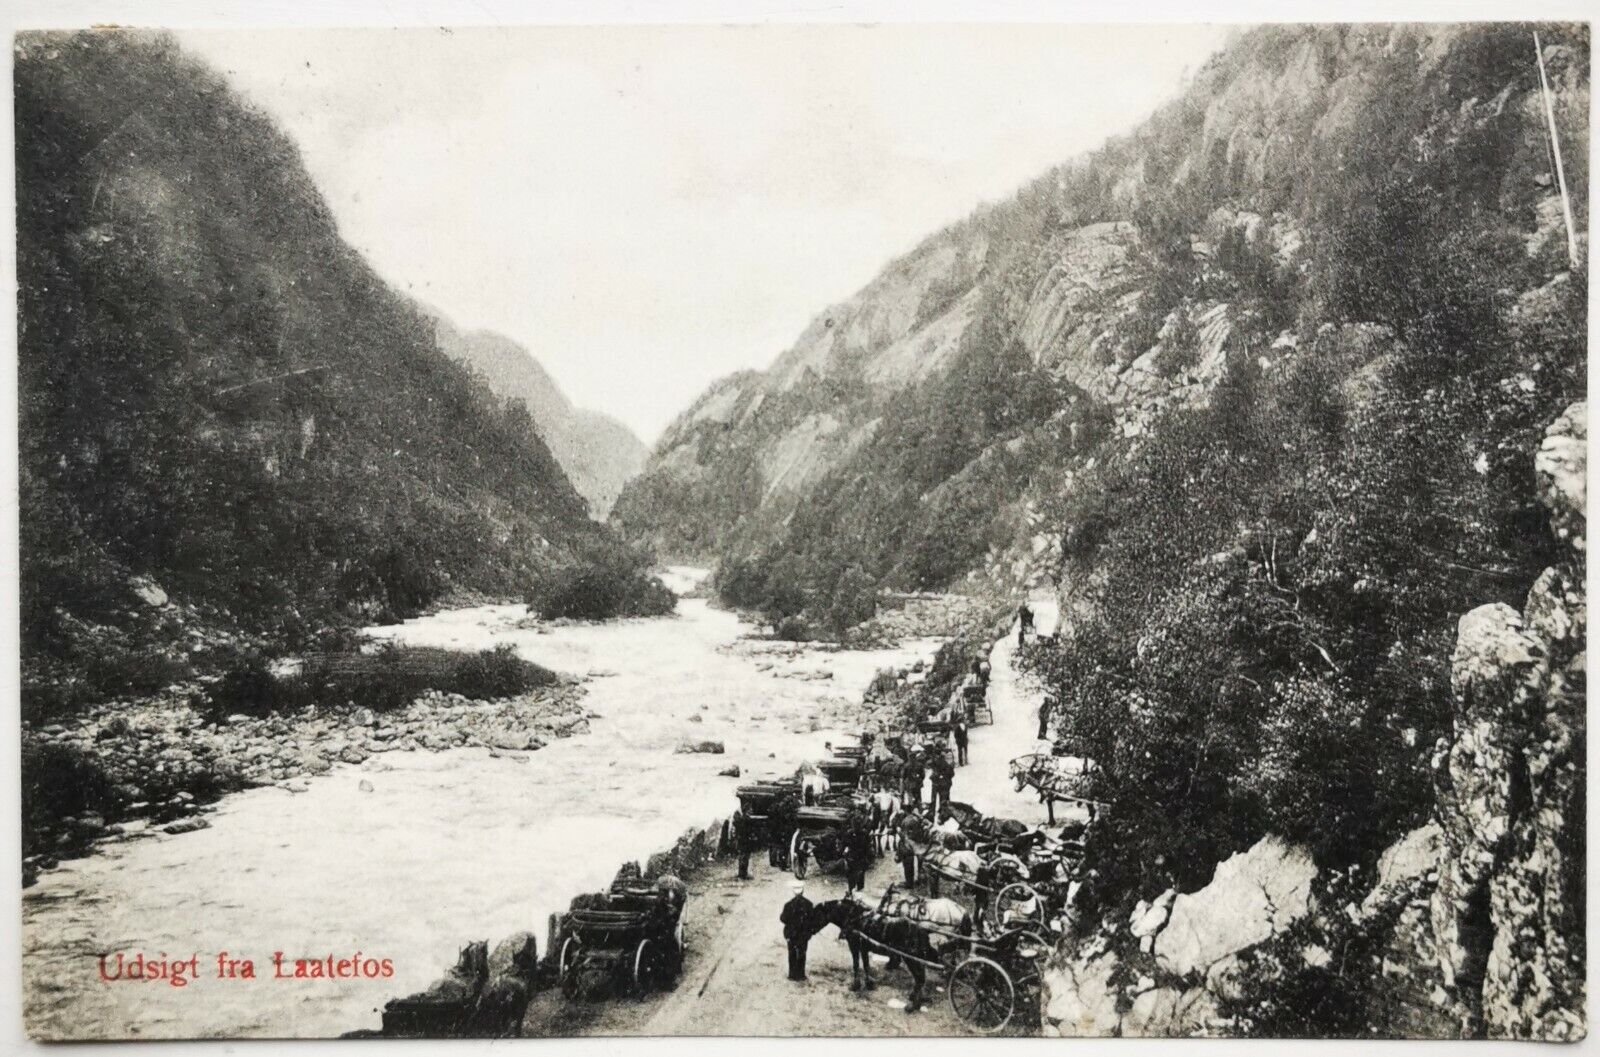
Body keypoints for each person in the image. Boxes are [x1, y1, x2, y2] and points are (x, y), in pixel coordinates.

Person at [780, 882, 814, 981]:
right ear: (803, 891)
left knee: (792, 953)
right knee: (802, 953)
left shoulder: (788, 905)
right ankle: (801, 974)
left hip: (791, 933)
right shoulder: (809, 904)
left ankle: (792, 974)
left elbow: (783, 919)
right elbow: (812, 919)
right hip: (803, 934)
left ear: (793, 891)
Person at [732, 806, 753, 881]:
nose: (752, 810)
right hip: (746, 840)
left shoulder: (740, 819)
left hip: (741, 840)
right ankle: (743, 874)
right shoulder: (747, 819)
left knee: (742, 857)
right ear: (747, 810)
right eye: (750, 809)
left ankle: (742, 874)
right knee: (745, 857)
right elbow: (749, 831)